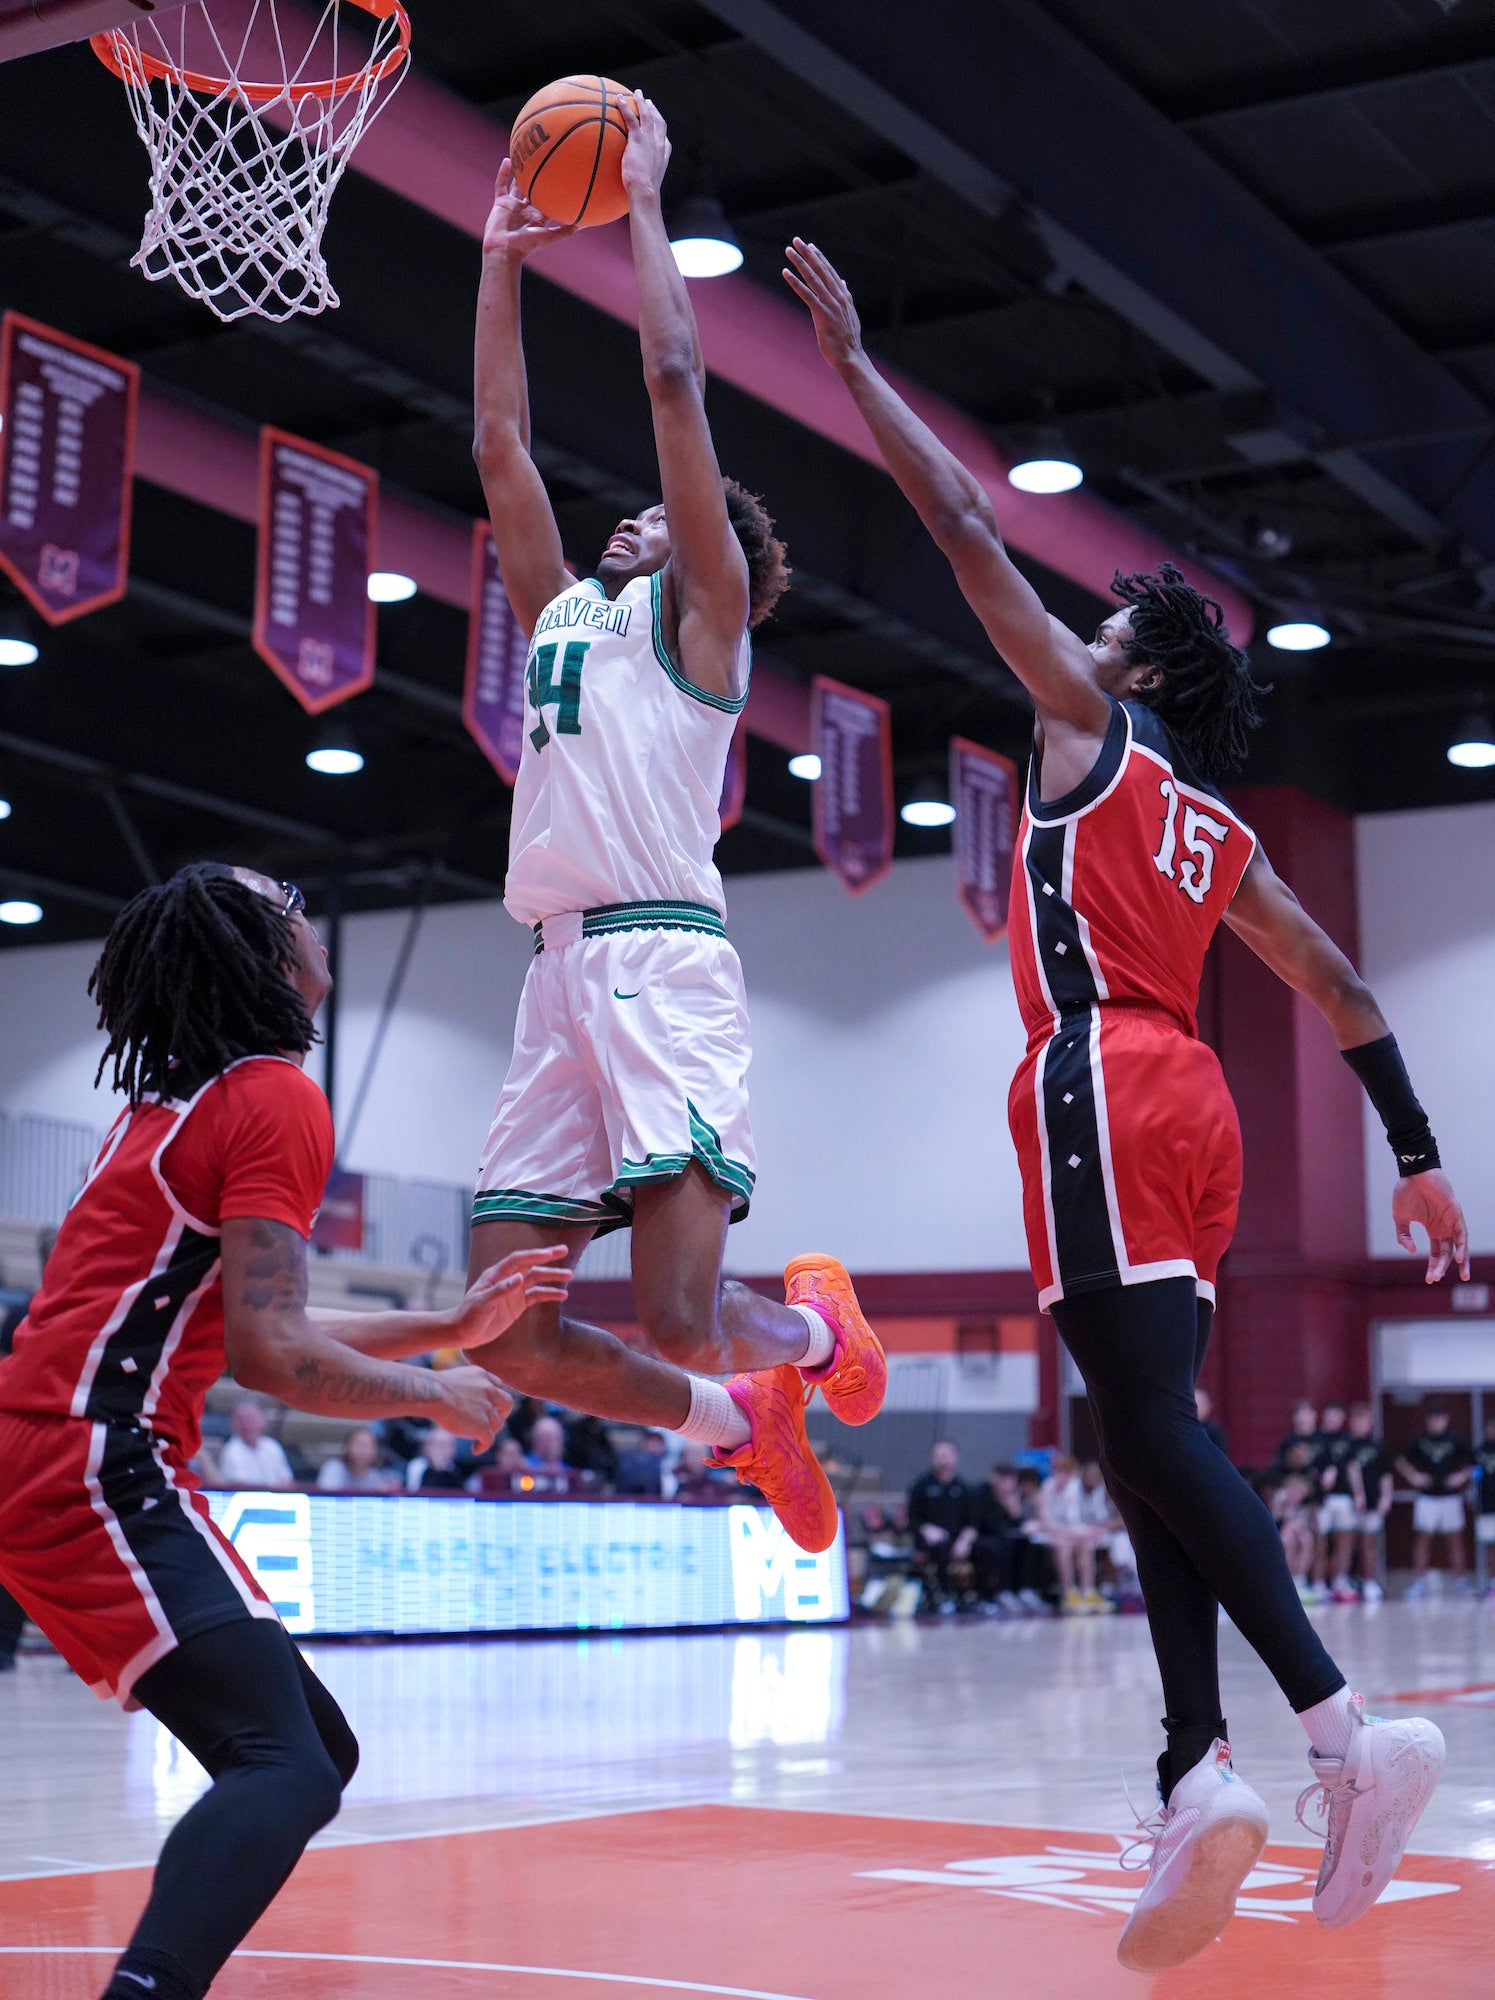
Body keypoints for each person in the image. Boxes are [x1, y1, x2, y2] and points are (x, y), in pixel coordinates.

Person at [785, 238, 1466, 1967]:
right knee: (1153, 1438)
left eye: (1101, 627)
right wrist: (1420, 1165)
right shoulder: (1221, 834)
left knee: (1147, 1435)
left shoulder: (1090, 735)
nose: (1072, 636)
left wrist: (859, 365)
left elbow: (953, 520)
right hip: (1202, 1105)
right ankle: (1194, 1768)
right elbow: (1351, 990)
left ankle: (1335, 1731)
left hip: (1095, 1074)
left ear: (1139, 664)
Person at [0, 861, 569, 2000]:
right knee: (285, 1760)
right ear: (268, 957)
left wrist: (444, 1327)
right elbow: (269, 1351)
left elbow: (256, 1306)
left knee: (311, 1751)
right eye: (294, 914)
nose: (314, 928)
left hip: (64, 1445)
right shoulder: (269, 1096)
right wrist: (435, 1392)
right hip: (87, 1456)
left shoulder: (181, 1102)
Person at [463, 97, 885, 1557]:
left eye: (663, 512)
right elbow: (501, 444)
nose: (634, 514)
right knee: (499, 1331)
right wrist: (499, 257)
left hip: (660, 966)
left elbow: (668, 375)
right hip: (552, 972)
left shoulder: (703, 623)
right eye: (637, 513)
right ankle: (739, 1429)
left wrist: (642, 198)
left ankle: (815, 1345)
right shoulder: (566, 614)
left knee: (679, 1317)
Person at [1397, 1403, 1475, 1597]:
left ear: (1446, 1419)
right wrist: (1414, 1476)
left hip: (1450, 1497)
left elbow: (1474, 1464)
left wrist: (1461, 1476)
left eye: (1440, 1418)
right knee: (1423, 1539)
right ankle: (1419, 1581)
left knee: (1455, 1540)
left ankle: (1460, 1581)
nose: (1436, 1422)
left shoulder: (1456, 1440)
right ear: (1428, 1420)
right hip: (1427, 1498)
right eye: (1433, 1418)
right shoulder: (1420, 1440)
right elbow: (1400, 1461)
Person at [907, 1440, 977, 1612]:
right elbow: (912, 1519)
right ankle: (945, 1595)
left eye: (946, 1455)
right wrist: (927, 1529)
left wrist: (964, 1541)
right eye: (938, 1456)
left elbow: (972, 1522)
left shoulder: (963, 1487)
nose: (942, 1460)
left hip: (957, 1538)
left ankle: (982, 1595)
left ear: (955, 1458)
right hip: (930, 1539)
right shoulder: (922, 1485)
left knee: (989, 1547)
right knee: (941, 1547)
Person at [1345, 1403, 1393, 1603]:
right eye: (1357, 1420)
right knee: (1346, 1543)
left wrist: (1386, 1497)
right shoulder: (1346, 1446)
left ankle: (1369, 1581)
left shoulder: (1377, 1447)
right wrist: (1357, 1495)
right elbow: (1350, 1470)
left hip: (1372, 1503)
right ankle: (1343, 1581)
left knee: (1369, 1543)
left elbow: (1385, 1474)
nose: (1361, 1424)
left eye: (1364, 1419)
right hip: (1348, 1502)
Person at [1314, 1402, 1360, 1601]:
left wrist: (1359, 1494)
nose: (1333, 1419)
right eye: (1330, 1415)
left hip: (1343, 1497)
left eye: (1337, 1416)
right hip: (1322, 1499)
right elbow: (1309, 1468)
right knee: (1320, 1541)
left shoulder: (1347, 1441)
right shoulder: (1316, 1439)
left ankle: (1340, 1580)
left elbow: (1352, 1468)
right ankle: (1318, 1582)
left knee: (1345, 1540)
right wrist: (1321, 1477)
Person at [216, 1395, 295, 1490]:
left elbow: (288, 1481)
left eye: (251, 1419)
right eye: (242, 1420)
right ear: (234, 1424)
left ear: (262, 1420)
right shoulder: (231, 1450)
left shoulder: (272, 1446)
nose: (247, 1424)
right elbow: (241, 1486)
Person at [315, 1424, 401, 1493]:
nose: (364, 1450)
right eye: (360, 1445)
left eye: (369, 1446)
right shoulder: (334, 1467)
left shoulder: (376, 1475)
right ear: (348, 1446)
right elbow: (328, 1496)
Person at [1474, 1415, 1495, 1598]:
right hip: (1487, 1505)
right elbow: (1474, 1475)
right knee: (1490, 1545)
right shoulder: (1479, 1452)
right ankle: (1492, 1583)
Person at [1194, 1385, 1228, 1458]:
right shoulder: (1182, 1428)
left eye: (1200, 1404)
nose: (1197, 1408)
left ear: (1208, 1406)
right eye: (1194, 1405)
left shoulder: (1215, 1430)